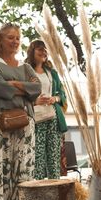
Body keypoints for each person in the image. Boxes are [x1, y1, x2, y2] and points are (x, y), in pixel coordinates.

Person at [0, 23, 41, 200]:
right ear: (0, 40)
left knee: (23, 164)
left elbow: (37, 88)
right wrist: (24, 88)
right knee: (0, 164)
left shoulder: (26, 66)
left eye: (17, 37)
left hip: (25, 121)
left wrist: (13, 84)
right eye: (10, 37)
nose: (15, 41)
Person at [25, 40, 67, 180]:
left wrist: (54, 99)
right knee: (38, 155)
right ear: (32, 51)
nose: (44, 53)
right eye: (40, 49)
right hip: (35, 118)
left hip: (53, 117)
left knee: (54, 155)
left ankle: (55, 188)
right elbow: (20, 95)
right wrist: (34, 101)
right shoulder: (25, 70)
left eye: (45, 50)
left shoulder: (51, 72)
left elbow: (62, 95)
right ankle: (38, 190)